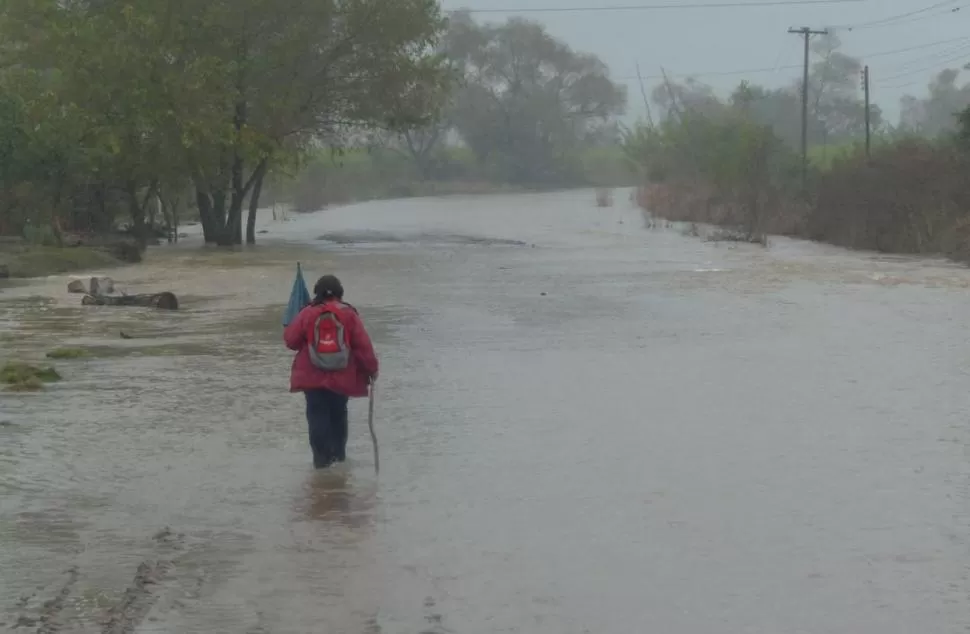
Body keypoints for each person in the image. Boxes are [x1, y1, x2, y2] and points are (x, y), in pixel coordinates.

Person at [284, 275, 379, 469]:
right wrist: (371, 370)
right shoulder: (349, 314)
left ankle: (321, 466)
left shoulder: (307, 313)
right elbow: (363, 347)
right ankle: (339, 462)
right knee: (338, 416)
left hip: (312, 379)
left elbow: (291, 341)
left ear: (316, 293)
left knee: (317, 418)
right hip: (341, 379)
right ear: (340, 293)